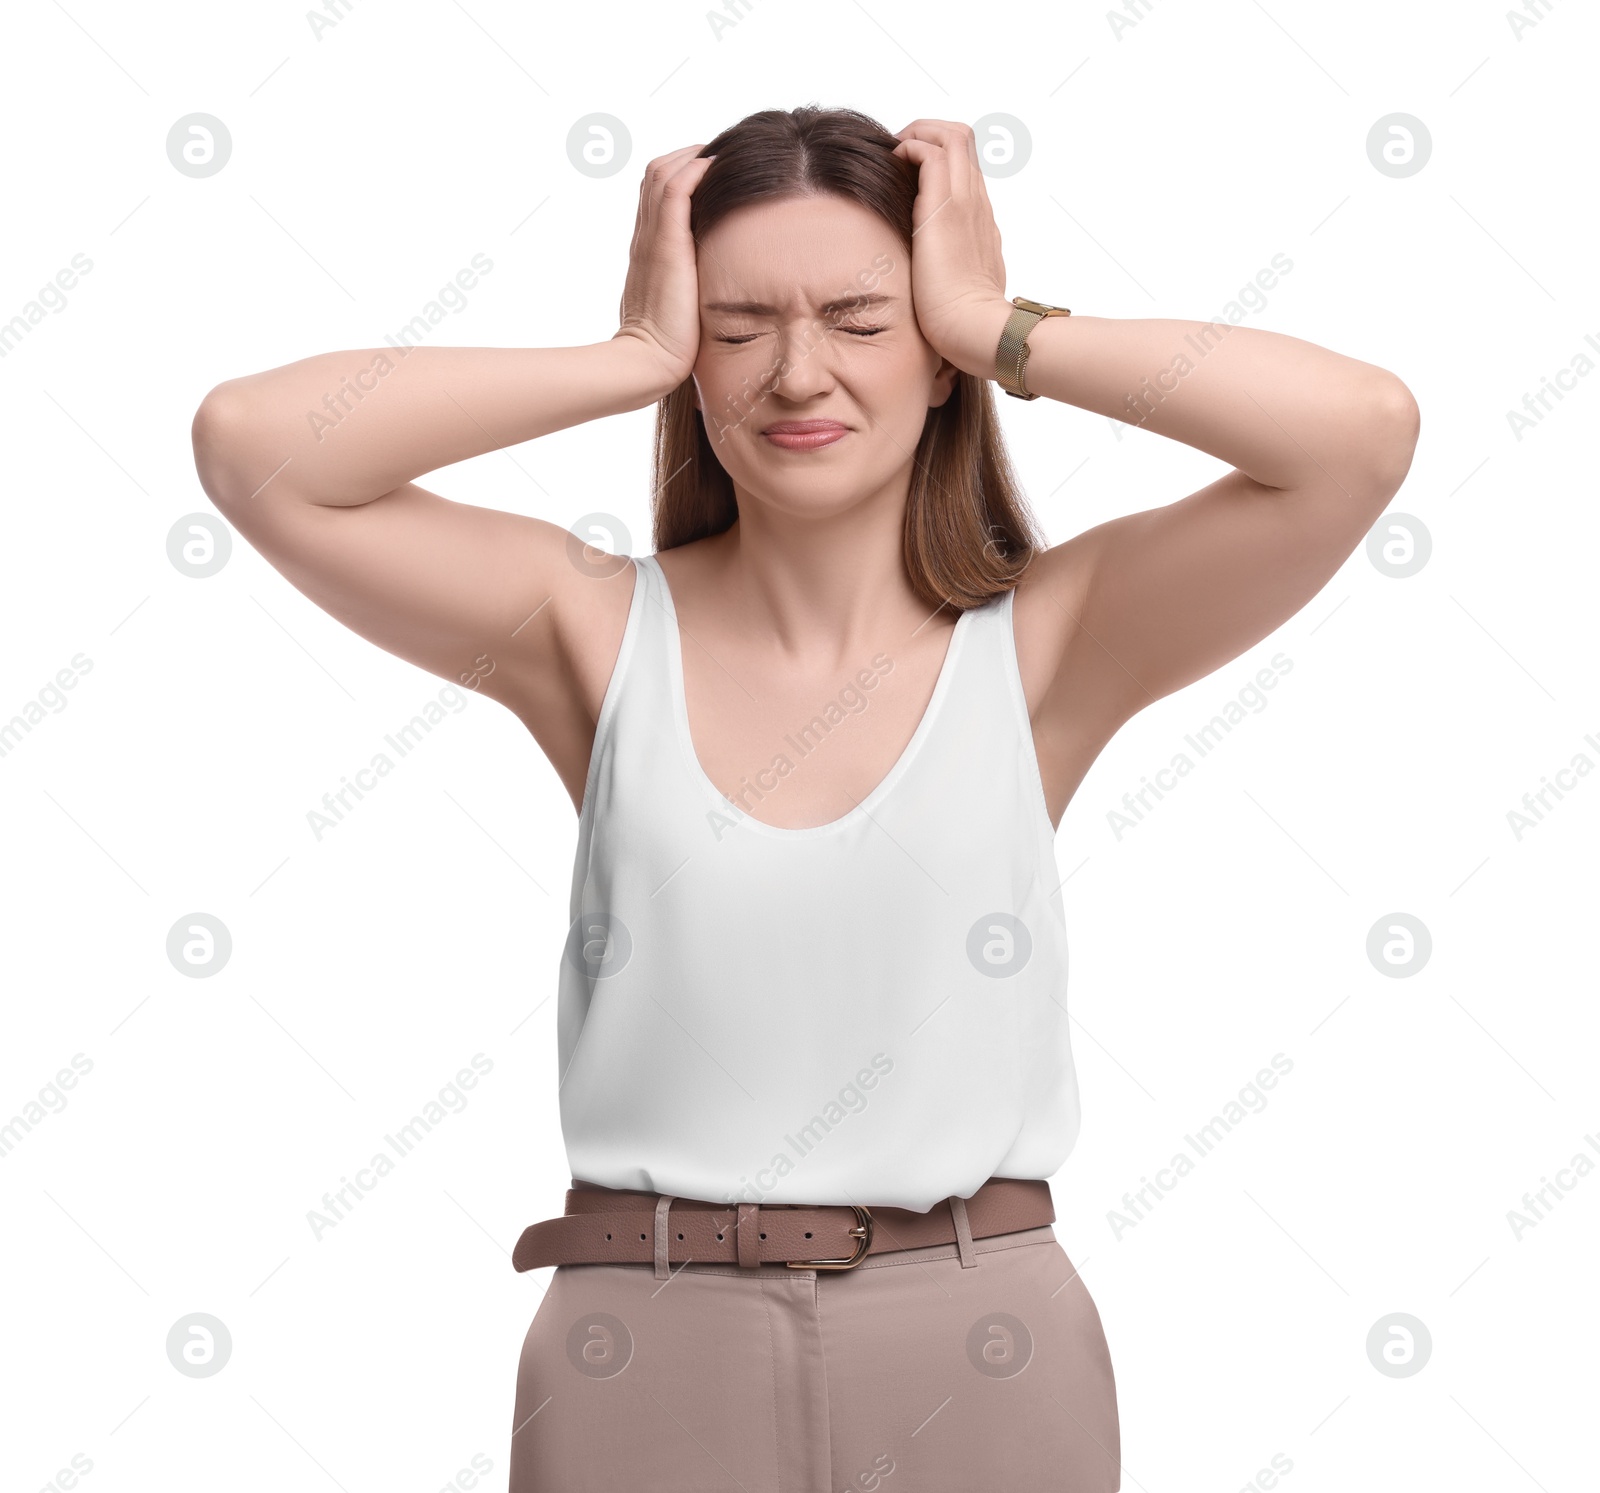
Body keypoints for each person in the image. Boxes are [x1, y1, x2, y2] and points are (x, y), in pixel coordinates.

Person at [191, 105, 1419, 1492]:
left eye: (859, 317)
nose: (797, 373)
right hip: (641, 1345)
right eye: (736, 327)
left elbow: (1359, 435)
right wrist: (622, 360)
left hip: (982, 1337)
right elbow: (254, 444)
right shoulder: (583, 626)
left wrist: (991, 317)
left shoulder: (1048, 639)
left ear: (941, 363)